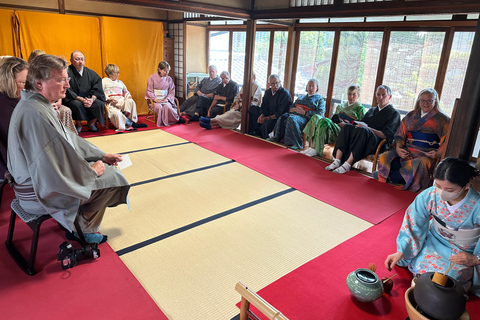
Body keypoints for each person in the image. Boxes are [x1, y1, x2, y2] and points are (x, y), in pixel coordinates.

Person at [7, 54, 130, 244]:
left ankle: (77, 221)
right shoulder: (36, 113)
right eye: (61, 80)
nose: (67, 85)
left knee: (98, 165)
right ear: (39, 84)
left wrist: (102, 155)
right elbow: (51, 168)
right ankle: (83, 229)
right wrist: (89, 172)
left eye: (67, 79)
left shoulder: (34, 104)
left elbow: (70, 139)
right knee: (113, 178)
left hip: (28, 184)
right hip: (38, 193)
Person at [385, 157, 480, 296]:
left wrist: (475, 259)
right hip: (434, 239)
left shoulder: (477, 205)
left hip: (462, 252)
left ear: (466, 185)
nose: (441, 193)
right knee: (419, 264)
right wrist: (402, 250)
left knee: (449, 279)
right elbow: (414, 222)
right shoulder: (430, 194)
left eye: (449, 189)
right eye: (438, 185)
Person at [377, 88, 450, 192]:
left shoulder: (443, 119)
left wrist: (438, 153)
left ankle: (392, 177)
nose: (425, 103)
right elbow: (400, 134)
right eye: (423, 100)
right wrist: (398, 148)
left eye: (429, 100)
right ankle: (392, 177)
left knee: (419, 163)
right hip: (408, 150)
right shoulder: (411, 115)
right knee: (386, 156)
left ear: (435, 101)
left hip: (426, 154)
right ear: (419, 101)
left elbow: (446, 140)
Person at [325, 84, 400, 174]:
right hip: (363, 137)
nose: (380, 97)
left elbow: (386, 135)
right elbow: (361, 123)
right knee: (348, 127)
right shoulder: (372, 110)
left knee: (363, 130)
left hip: (377, 142)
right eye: (378, 95)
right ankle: (337, 160)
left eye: (383, 95)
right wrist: (349, 123)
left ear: (390, 97)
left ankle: (348, 164)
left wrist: (368, 128)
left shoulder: (394, 113)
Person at [302, 84, 365, 157]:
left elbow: (360, 125)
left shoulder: (360, 108)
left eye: (354, 94)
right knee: (315, 117)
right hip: (336, 127)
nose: (351, 97)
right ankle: (312, 146)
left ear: (358, 95)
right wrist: (337, 122)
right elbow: (334, 119)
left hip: (345, 131)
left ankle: (317, 149)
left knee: (324, 121)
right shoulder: (341, 106)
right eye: (349, 94)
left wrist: (347, 124)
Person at [28, 49, 77, 134]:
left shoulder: (51, 71)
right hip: (39, 105)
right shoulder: (29, 75)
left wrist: (58, 102)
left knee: (65, 110)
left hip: (52, 103)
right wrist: (48, 106)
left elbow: (57, 92)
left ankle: (66, 135)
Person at [268, 79, 325, 150]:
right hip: (295, 114)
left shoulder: (320, 100)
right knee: (283, 116)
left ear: (317, 88)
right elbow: (291, 107)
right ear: (306, 87)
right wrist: (295, 109)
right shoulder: (301, 97)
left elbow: (320, 113)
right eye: (309, 86)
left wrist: (305, 112)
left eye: (313, 86)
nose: (311, 88)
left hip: (306, 118)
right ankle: (276, 137)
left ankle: (297, 143)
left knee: (291, 119)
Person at [63, 50, 106, 133]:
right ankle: (79, 124)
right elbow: (67, 89)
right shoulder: (67, 72)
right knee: (76, 104)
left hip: (89, 98)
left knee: (99, 103)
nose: (80, 62)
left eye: (82, 59)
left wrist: (92, 99)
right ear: (71, 61)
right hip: (74, 98)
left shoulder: (91, 73)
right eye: (77, 59)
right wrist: (81, 100)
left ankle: (92, 123)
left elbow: (97, 88)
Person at [0, 57, 28, 179]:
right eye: (23, 83)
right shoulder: (4, 106)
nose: (28, 87)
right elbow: (18, 141)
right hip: (11, 164)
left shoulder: (14, 100)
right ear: (9, 82)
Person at [102, 63, 146, 131]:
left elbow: (126, 92)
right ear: (110, 74)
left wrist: (128, 97)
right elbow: (101, 93)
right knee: (117, 114)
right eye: (116, 73)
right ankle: (128, 125)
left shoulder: (120, 82)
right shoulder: (104, 81)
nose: (118, 74)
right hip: (111, 103)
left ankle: (128, 115)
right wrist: (109, 99)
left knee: (131, 101)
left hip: (121, 101)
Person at [250, 74, 292, 139]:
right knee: (253, 109)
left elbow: (280, 112)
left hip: (277, 117)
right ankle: (256, 130)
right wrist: (262, 115)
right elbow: (264, 106)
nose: (275, 85)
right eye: (272, 84)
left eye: (276, 83)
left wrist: (267, 118)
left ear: (280, 82)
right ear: (269, 84)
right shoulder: (268, 92)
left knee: (266, 125)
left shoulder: (285, 93)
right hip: (267, 113)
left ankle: (263, 134)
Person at [145, 61, 179, 126]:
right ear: (159, 69)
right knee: (159, 107)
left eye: (168, 71)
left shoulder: (169, 79)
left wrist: (167, 99)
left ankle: (169, 121)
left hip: (165, 100)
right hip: (155, 100)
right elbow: (149, 91)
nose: (167, 73)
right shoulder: (152, 78)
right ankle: (160, 122)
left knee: (167, 107)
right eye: (165, 71)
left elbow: (172, 91)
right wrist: (155, 99)